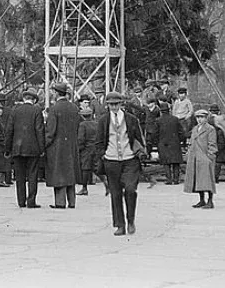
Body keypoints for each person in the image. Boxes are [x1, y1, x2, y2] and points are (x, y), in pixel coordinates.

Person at [93, 91, 146, 236]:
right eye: (111, 105)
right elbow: (98, 141)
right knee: (115, 194)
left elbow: (139, 138)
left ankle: (130, 221)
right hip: (111, 161)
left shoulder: (131, 119)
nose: (114, 107)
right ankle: (120, 224)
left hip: (130, 160)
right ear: (108, 105)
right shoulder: (103, 120)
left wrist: (140, 152)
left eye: (116, 104)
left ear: (121, 104)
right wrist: (103, 155)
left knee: (130, 189)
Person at [5, 88, 45, 209]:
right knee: (33, 175)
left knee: (20, 176)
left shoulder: (15, 111)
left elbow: (9, 130)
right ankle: (31, 201)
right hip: (33, 148)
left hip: (17, 148)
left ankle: (21, 201)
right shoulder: (36, 111)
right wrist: (42, 148)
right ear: (34, 100)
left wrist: (7, 149)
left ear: (24, 98)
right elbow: (39, 130)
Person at [44, 81, 81, 210]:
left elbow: (50, 131)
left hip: (57, 146)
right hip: (71, 145)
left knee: (59, 174)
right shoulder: (74, 108)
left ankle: (60, 202)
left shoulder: (54, 109)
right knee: (70, 173)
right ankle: (72, 202)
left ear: (55, 93)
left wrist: (44, 145)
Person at [183, 108, 217, 209]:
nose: (199, 119)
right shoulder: (195, 129)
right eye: (198, 117)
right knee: (198, 179)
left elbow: (212, 144)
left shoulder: (210, 129)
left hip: (205, 157)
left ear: (206, 118)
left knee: (208, 179)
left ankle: (210, 201)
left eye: (202, 117)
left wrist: (210, 156)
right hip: (195, 157)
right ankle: (201, 199)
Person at [156, 100, 185, 185]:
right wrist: (180, 140)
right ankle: (176, 179)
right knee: (176, 162)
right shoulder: (175, 119)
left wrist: (157, 142)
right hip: (175, 142)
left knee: (166, 162)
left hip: (163, 143)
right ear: (169, 110)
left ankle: (169, 179)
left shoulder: (158, 120)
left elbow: (155, 133)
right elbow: (181, 132)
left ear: (161, 111)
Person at [77, 102, 98, 196]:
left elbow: (81, 138)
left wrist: (79, 148)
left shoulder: (82, 125)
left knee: (85, 168)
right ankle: (107, 185)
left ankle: (84, 188)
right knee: (96, 168)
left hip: (86, 149)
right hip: (95, 148)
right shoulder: (96, 124)